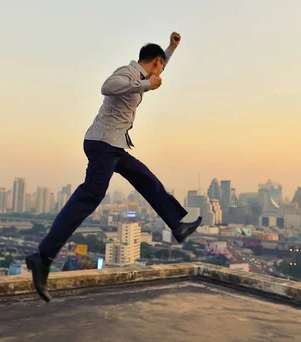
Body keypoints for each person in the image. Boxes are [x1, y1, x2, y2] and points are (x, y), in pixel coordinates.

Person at [26, 32, 202, 302]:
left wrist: (171, 48)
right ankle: (43, 257)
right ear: (153, 63)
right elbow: (107, 87)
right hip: (102, 144)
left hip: (114, 146)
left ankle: (177, 225)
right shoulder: (128, 72)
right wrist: (146, 86)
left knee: (146, 179)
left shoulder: (144, 73)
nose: (162, 71)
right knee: (90, 196)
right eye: (161, 65)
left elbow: (157, 65)